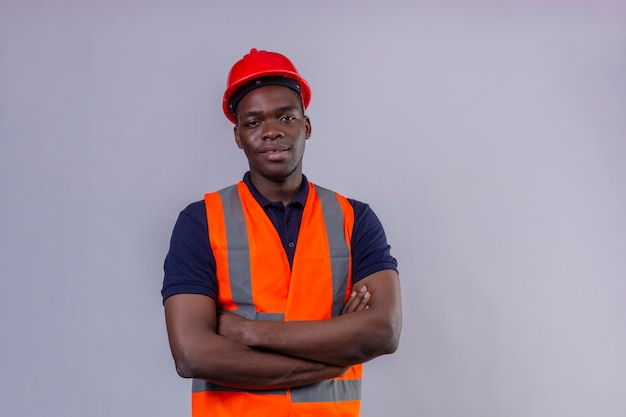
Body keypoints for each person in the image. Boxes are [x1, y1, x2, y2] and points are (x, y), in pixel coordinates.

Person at [162, 48, 402, 417]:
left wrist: (247, 333)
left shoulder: (354, 218)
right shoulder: (201, 221)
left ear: (306, 126)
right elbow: (193, 354)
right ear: (238, 135)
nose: (271, 131)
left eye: (285, 117)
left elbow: (382, 332)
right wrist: (332, 355)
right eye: (253, 122)